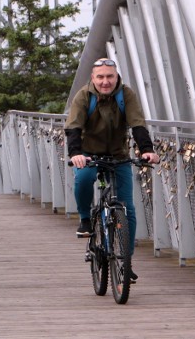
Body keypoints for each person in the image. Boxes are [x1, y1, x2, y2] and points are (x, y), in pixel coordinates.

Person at [64, 58, 160, 280]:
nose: (105, 81)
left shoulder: (125, 95)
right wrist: (76, 154)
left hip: (118, 155)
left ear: (116, 76)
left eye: (110, 76)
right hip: (88, 154)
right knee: (84, 179)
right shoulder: (84, 97)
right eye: (100, 77)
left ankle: (126, 260)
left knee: (127, 207)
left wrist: (147, 150)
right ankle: (86, 218)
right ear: (93, 78)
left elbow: (137, 124)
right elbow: (73, 127)